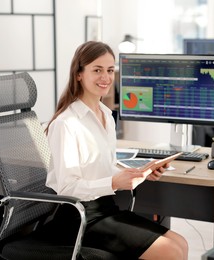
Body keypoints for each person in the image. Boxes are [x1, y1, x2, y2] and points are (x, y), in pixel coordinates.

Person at [44, 41, 188, 259]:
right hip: (80, 217)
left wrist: (140, 173)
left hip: (105, 208)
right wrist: (114, 183)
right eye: (97, 70)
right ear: (79, 74)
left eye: (110, 70)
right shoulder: (66, 124)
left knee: (180, 243)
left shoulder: (106, 115)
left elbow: (103, 165)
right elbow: (67, 187)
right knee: (169, 251)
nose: (106, 77)